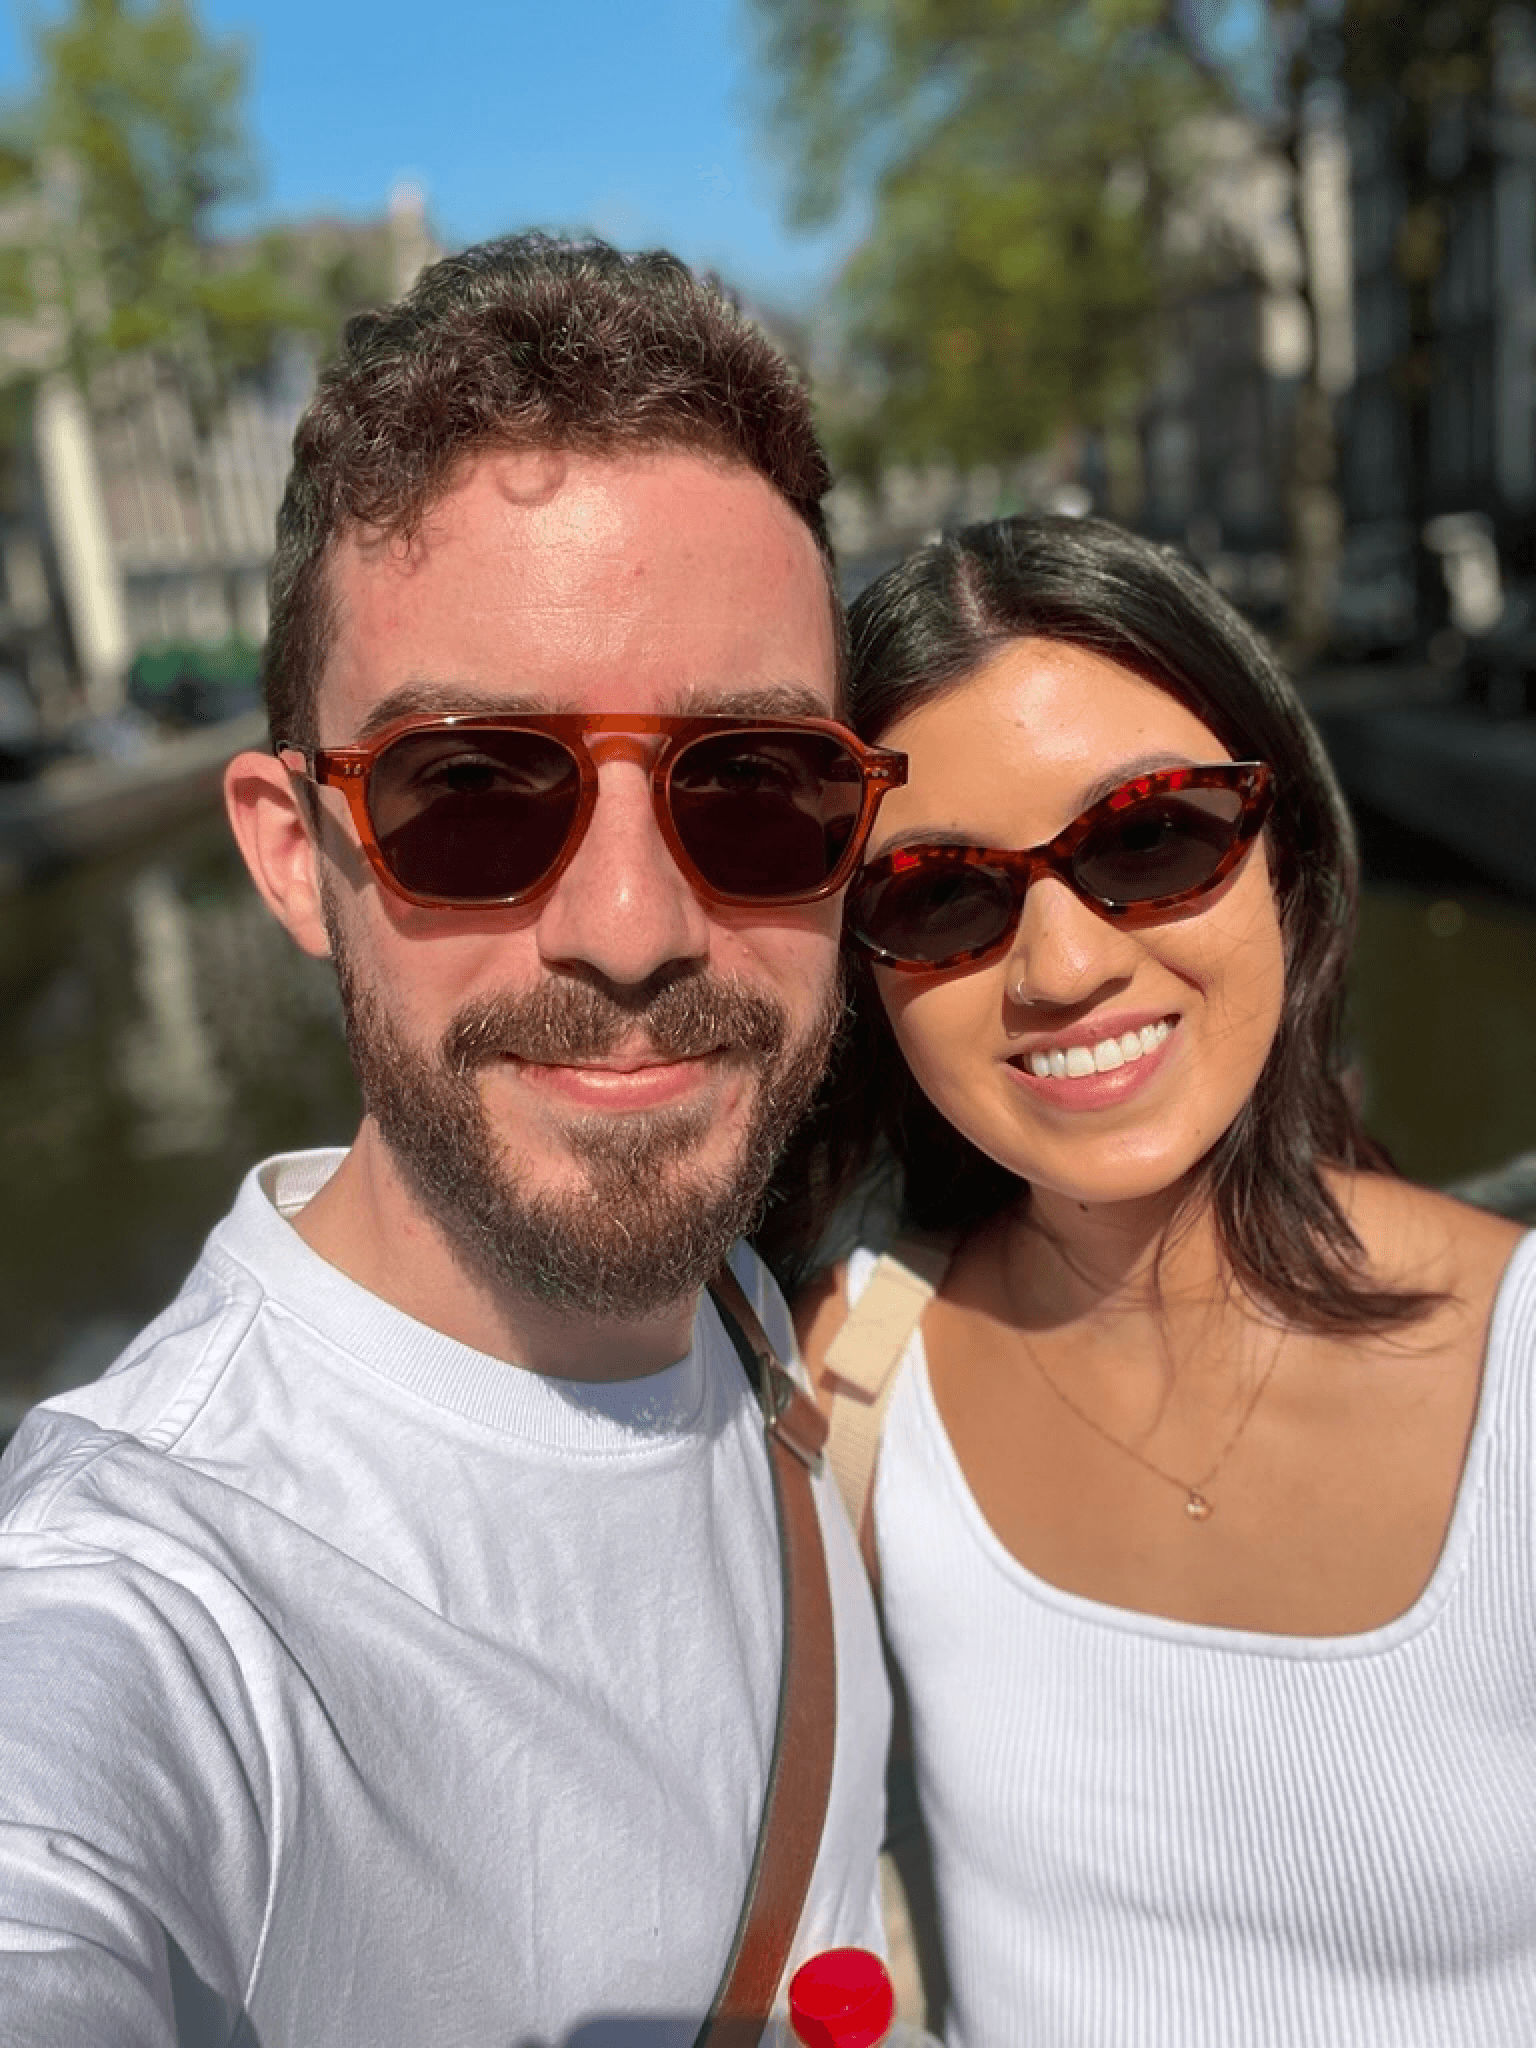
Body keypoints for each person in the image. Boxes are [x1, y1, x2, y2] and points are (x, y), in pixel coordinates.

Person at [0, 235, 907, 2046]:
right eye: (475, 794)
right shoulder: (147, 1593)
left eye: (753, 785)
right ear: (295, 858)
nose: (633, 929)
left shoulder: (774, 1322)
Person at [780, 513, 1536, 2046]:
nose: (1063, 969)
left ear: (1286, 856)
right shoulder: (852, 1380)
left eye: (1147, 838)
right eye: (939, 897)